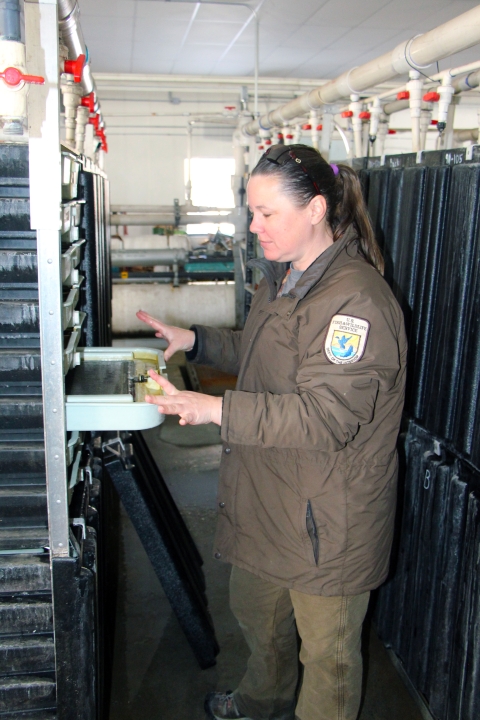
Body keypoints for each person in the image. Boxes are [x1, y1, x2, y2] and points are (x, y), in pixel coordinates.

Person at [136, 144, 407, 720]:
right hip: (270, 496)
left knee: (328, 657)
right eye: (251, 211)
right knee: (259, 617)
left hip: (327, 517)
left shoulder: (354, 302)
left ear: (314, 210)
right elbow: (266, 350)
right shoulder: (284, 277)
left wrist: (216, 410)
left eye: (266, 213)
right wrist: (198, 341)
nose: (252, 226)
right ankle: (261, 702)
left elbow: (327, 416)